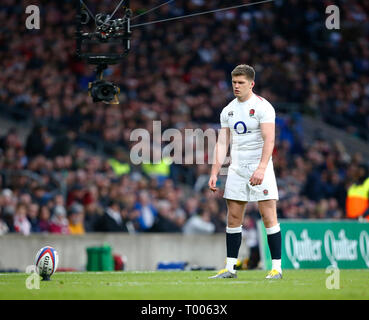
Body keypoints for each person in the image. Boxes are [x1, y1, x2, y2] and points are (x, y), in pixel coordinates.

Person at [208, 64, 282, 279]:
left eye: (241, 83)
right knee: (233, 217)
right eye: (234, 82)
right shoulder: (228, 110)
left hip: (261, 168)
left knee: (268, 216)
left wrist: (261, 168)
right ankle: (230, 268)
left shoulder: (263, 107)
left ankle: (276, 268)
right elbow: (222, 143)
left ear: (252, 84)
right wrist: (214, 172)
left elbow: (270, 139)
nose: (237, 86)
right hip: (237, 169)